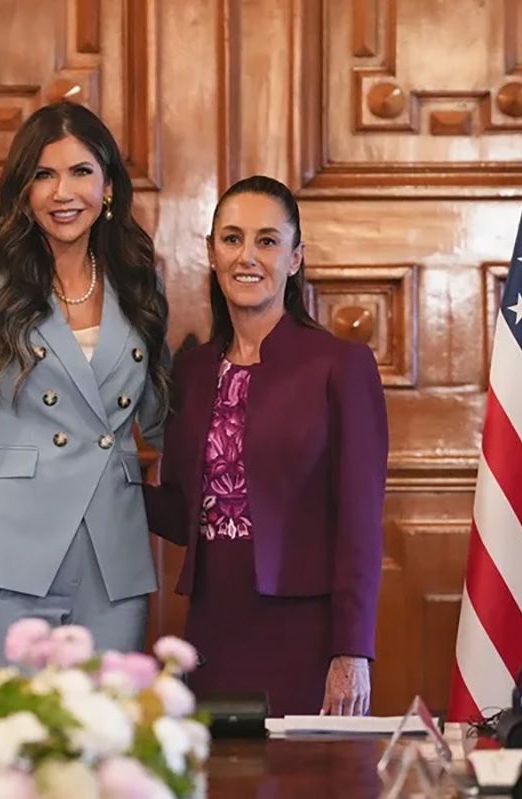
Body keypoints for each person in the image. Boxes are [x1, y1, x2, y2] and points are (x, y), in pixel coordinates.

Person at [0, 102, 170, 659]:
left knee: (111, 717)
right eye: (43, 174)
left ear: (108, 187)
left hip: (113, 562)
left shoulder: (139, 283)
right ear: (23, 190)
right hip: (9, 557)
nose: (63, 193)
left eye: (81, 172)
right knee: (14, 718)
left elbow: (162, 419)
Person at [145, 175, 388, 715]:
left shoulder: (341, 366)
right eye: (232, 239)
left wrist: (352, 652)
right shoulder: (191, 371)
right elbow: (187, 511)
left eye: (268, 241)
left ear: (295, 258)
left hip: (306, 633)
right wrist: (102, 476)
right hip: (212, 627)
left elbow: (359, 525)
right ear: (211, 253)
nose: (247, 256)